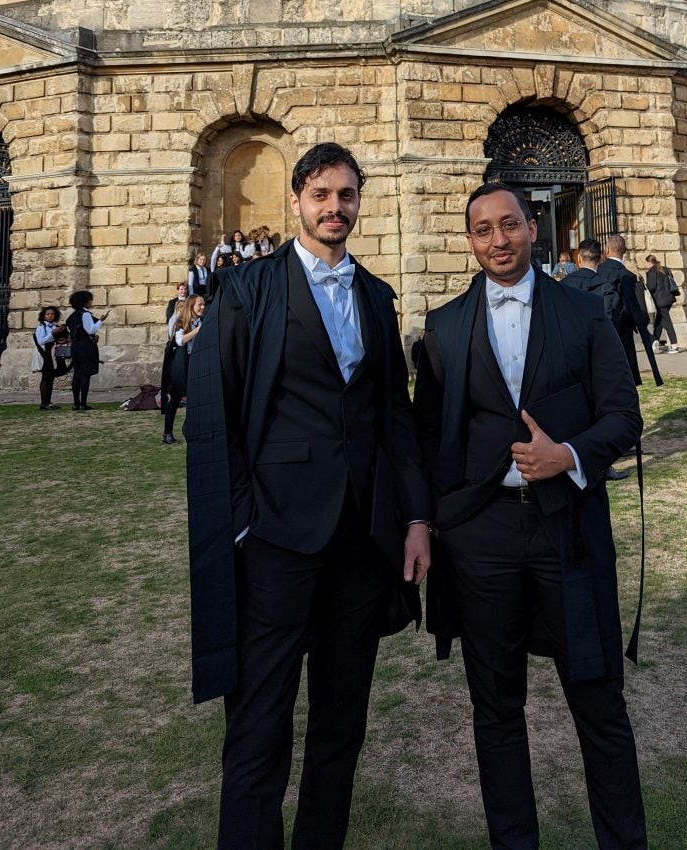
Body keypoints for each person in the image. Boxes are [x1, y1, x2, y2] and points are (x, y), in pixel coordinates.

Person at [184, 142, 432, 849]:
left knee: (341, 724)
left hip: (360, 541)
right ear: (295, 200)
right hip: (272, 543)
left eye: (346, 195)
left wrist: (415, 516)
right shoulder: (246, 290)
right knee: (259, 724)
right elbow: (216, 418)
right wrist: (240, 525)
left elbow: (395, 418)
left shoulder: (378, 297)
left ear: (359, 202)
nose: (335, 208)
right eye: (321, 195)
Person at [414, 182, 647, 850]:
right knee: (496, 709)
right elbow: (428, 432)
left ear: (532, 228)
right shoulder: (446, 325)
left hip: (566, 528)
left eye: (509, 225)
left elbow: (623, 415)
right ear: (470, 240)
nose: (498, 241)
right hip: (481, 534)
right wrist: (430, 521)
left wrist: (568, 454)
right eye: (482, 230)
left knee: (598, 700)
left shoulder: (583, 313)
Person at [561, 238, 631, 481]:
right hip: (597, 361)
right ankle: (601, 464)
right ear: (600, 258)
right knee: (601, 412)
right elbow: (610, 327)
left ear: (579, 258)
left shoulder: (562, 286)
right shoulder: (606, 286)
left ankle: (572, 460)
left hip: (567, 359)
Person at [596, 234, 661, 388]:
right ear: (624, 251)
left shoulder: (597, 272)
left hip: (599, 330)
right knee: (624, 378)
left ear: (607, 249)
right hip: (622, 331)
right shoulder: (629, 275)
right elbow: (635, 309)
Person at [162, 295, 204, 444]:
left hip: (195, 362)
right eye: (200, 305)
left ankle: (192, 431)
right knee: (175, 399)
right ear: (192, 306)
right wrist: (197, 331)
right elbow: (180, 341)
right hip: (181, 365)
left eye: (203, 304)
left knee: (196, 399)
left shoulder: (201, 321)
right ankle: (167, 433)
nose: (202, 307)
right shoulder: (181, 322)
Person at [65, 290, 107, 411]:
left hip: (76, 346)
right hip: (85, 346)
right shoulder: (85, 314)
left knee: (77, 374)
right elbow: (91, 330)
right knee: (85, 374)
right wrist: (101, 320)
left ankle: (76, 403)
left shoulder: (72, 316)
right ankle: (83, 402)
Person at [33, 305, 68, 410]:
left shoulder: (55, 326)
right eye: (48, 314)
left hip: (54, 353)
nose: (50, 316)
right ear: (43, 316)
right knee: (46, 377)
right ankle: (44, 403)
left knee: (51, 378)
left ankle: (48, 402)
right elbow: (41, 341)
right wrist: (52, 334)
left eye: (52, 314)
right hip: (46, 354)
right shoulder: (41, 327)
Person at [644, 254, 678, 353]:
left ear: (649, 263)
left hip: (660, 301)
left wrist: (644, 286)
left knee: (667, 322)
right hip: (669, 299)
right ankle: (654, 341)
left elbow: (651, 287)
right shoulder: (665, 269)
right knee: (659, 321)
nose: (645, 265)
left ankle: (674, 344)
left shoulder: (652, 272)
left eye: (646, 263)